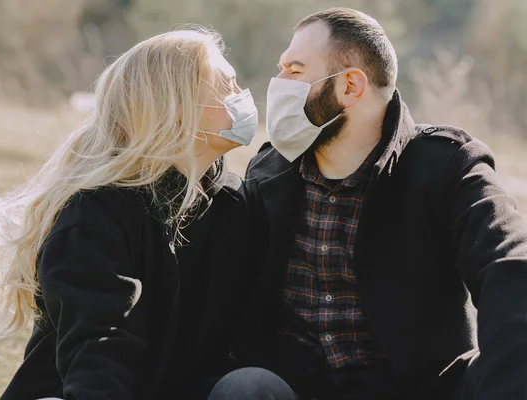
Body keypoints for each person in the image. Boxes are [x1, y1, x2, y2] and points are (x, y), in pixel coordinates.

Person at [209, 7, 527, 400]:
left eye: (294, 70)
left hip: (421, 388)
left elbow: (510, 270)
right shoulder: (269, 169)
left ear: (350, 87)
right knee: (243, 387)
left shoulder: (448, 165)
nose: (276, 84)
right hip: (296, 385)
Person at [0, 28, 259, 400]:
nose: (242, 97)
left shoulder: (235, 203)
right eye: (226, 84)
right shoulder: (95, 214)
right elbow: (99, 346)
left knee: (254, 385)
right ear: (177, 106)